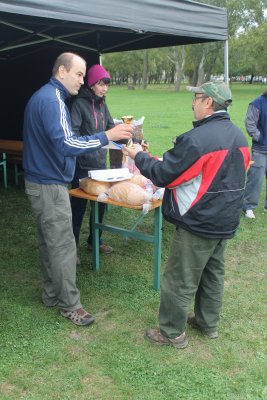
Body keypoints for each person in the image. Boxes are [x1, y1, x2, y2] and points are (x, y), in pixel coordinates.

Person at [123, 81, 250, 349]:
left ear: (208, 102)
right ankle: (208, 323)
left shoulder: (198, 140)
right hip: (225, 219)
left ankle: (171, 332)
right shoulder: (239, 136)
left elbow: (164, 175)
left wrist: (138, 156)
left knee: (180, 279)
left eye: (196, 97)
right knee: (213, 274)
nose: (192, 102)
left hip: (199, 221)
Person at [23, 52, 134, 326]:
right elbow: (67, 144)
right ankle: (70, 304)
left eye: (84, 76)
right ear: (62, 71)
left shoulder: (47, 97)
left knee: (50, 242)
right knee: (62, 245)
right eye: (79, 74)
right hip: (48, 184)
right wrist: (106, 136)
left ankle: (51, 295)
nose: (82, 81)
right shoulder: (53, 101)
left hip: (40, 182)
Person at [69, 64, 115, 257]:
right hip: (81, 167)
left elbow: (111, 127)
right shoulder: (79, 104)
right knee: (77, 210)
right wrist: (90, 147)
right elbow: (73, 133)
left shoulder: (103, 104)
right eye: (101, 84)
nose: (104, 88)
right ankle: (72, 249)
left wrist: (132, 137)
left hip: (100, 166)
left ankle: (95, 241)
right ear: (91, 84)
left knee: (101, 206)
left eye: (106, 84)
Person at [243, 90, 267, 218]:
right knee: (255, 179)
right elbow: (250, 124)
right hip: (260, 149)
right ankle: (248, 207)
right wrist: (261, 138)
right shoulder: (257, 103)